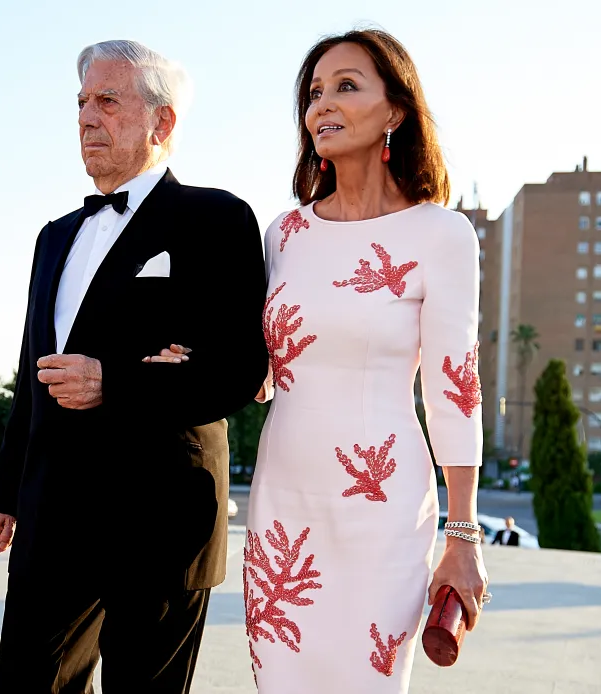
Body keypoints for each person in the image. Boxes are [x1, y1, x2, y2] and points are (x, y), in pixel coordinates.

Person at [150, 30, 488, 693]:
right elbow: (257, 364)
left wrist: (464, 533)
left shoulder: (440, 234)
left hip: (383, 509)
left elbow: (456, 388)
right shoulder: (285, 234)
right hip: (283, 504)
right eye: (313, 92)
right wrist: (179, 353)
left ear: (396, 111)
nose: (322, 105)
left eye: (346, 86)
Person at [0, 40, 269, 692]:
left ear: (162, 123)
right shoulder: (54, 236)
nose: (86, 117)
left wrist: (116, 381)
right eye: (82, 102)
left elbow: (237, 366)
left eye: (107, 100)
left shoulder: (217, 218)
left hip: (163, 520)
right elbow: (31, 376)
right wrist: (7, 492)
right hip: (52, 516)